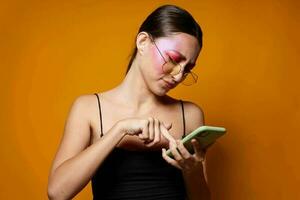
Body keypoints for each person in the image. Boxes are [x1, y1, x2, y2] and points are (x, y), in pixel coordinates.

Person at [47, 4, 211, 200]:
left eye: (187, 69)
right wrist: (120, 129)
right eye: (174, 60)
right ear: (143, 42)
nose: (178, 76)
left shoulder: (190, 115)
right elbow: (57, 193)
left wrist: (192, 171)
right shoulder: (89, 108)